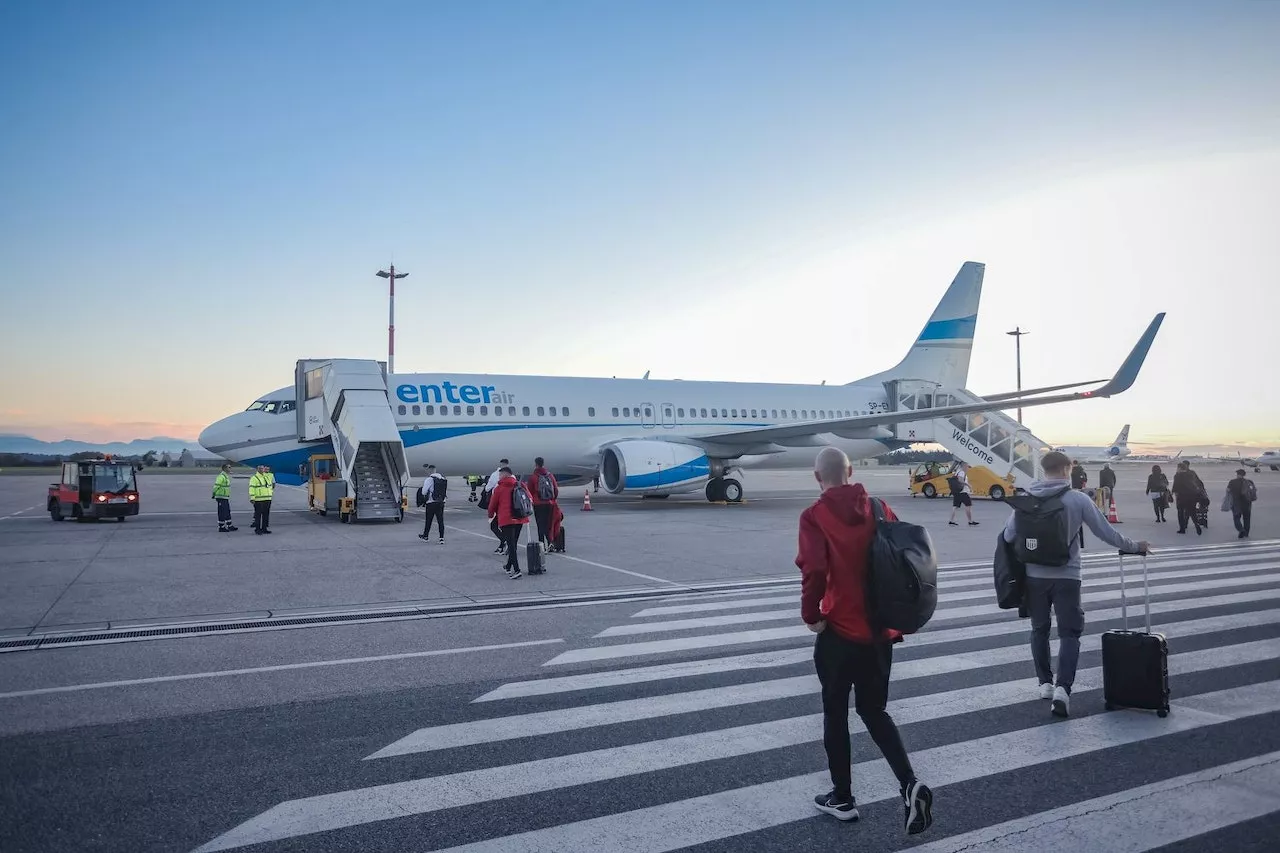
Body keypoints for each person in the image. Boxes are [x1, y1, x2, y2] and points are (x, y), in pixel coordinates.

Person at [796, 446, 933, 836]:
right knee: (875, 711)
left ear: (817, 476)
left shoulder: (814, 516)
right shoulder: (878, 507)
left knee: (835, 712)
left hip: (839, 631)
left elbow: (814, 570)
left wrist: (812, 616)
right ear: (851, 470)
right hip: (879, 632)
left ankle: (843, 797)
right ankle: (909, 784)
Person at [1002, 451, 1149, 718]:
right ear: (1068, 469)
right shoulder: (1078, 499)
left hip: (1034, 578)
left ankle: (1045, 684)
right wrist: (1134, 547)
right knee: (1069, 634)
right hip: (1067, 576)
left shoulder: (1027, 500)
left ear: (1043, 470)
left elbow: (1008, 535)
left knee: (1039, 629)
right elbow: (1106, 532)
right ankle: (1062, 690)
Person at [487, 466, 530, 579]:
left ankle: (516, 570)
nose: (499, 477)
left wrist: (490, 515)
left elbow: (492, 505)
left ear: (505, 475)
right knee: (513, 543)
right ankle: (508, 566)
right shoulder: (520, 485)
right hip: (520, 518)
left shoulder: (499, 488)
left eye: (500, 475)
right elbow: (529, 498)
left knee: (511, 545)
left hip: (506, 519)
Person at [526, 456, 560, 552]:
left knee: (540, 525)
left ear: (535, 464)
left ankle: (542, 545)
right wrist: (552, 499)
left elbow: (530, 491)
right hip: (549, 503)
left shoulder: (533, 477)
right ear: (543, 464)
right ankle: (550, 543)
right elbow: (555, 489)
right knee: (548, 524)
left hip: (538, 504)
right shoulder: (550, 476)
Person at [1172, 460, 1207, 535]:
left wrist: (1174, 493)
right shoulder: (1191, 474)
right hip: (1192, 496)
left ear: (1180, 468)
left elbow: (1175, 486)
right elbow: (1198, 482)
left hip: (1181, 497)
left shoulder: (1177, 476)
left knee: (1180, 513)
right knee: (1192, 512)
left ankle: (1182, 529)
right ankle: (1196, 524)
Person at [419, 464, 447, 544]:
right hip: (441, 502)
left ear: (429, 471)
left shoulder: (429, 479)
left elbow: (424, 491)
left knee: (429, 520)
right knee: (440, 521)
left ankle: (426, 536)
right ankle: (441, 538)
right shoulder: (442, 478)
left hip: (431, 502)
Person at [1226, 468, 1257, 539]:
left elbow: (1228, 490)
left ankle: (1241, 529)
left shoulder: (1232, 482)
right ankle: (1246, 533)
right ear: (1244, 475)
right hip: (1247, 503)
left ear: (1237, 474)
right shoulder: (1249, 482)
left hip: (1236, 503)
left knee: (1236, 518)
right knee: (1247, 519)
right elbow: (1253, 491)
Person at [946, 462, 978, 527]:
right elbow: (960, 480)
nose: (967, 468)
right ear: (963, 466)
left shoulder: (957, 472)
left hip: (956, 492)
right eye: (967, 466)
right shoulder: (962, 472)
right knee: (968, 505)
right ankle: (970, 521)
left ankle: (951, 521)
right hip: (962, 492)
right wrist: (968, 485)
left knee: (955, 507)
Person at [248, 464, 274, 534]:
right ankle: (257, 529)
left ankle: (264, 528)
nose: (262, 470)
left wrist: (270, 494)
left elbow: (270, 486)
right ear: (258, 469)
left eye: (263, 469)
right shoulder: (254, 478)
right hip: (259, 500)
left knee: (266, 515)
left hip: (267, 499)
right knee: (258, 515)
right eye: (261, 469)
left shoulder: (266, 477)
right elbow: (251, 488)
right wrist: (252, 498)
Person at [212, 463, 237, 532]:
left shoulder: (226, 476)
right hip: (221, 497)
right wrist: (214, 494)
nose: (230, 468)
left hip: (225, 497)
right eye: (229, 467)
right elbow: (216, 486)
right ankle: (221, 527)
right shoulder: (221, 477)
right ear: (225, 468)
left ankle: (229, 525)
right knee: (222, 512)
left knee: (227, 511)